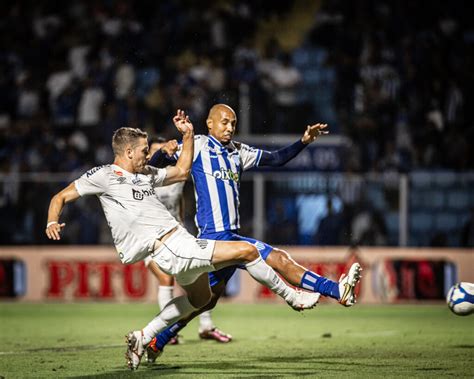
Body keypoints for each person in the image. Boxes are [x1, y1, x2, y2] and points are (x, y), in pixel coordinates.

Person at [45, 110, 321, 371]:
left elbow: (181, 172)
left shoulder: (145, 175)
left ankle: (143, 336)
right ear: (128, 152)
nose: (149, 155)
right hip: (170, 246)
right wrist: (52, 220)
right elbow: (61, 197)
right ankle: (293, 297)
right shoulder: (104, 175)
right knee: (247, 251)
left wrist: (188, 136)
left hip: (178, 243)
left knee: (201, 299)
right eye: (144, 151)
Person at [146, 104, 362, 362]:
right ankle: (337, 291)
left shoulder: (238, 152)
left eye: (233, 123)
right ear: (210, 123)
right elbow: (155, 165)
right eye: (224, 122)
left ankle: (156, 341)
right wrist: (164, 152)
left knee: (205, 301)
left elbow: (277, 158)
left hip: (228, 240)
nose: (229, 127)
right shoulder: (199, 145)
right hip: (214, 238)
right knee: (279, 259)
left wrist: (303, 141)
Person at [144, 136, 231, 344]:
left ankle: (206, 327)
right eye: (158, 150)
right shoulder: (145, 178)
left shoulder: (173, 175)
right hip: (152, 241)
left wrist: (182, 221)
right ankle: (165, 332)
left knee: (198, 277)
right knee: (167, 280)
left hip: (176, 237)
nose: (164, 153)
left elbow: (180, 200)